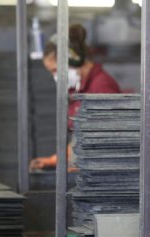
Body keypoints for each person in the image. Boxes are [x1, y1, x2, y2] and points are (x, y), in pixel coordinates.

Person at [29, 24, 122, 171]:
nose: (55, 77)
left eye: (55, 70)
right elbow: (79, 140)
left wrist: (84, 166)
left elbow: (112, 142)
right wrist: (55, 160)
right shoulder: (78, 89)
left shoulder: (101, 87)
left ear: (74, 59)